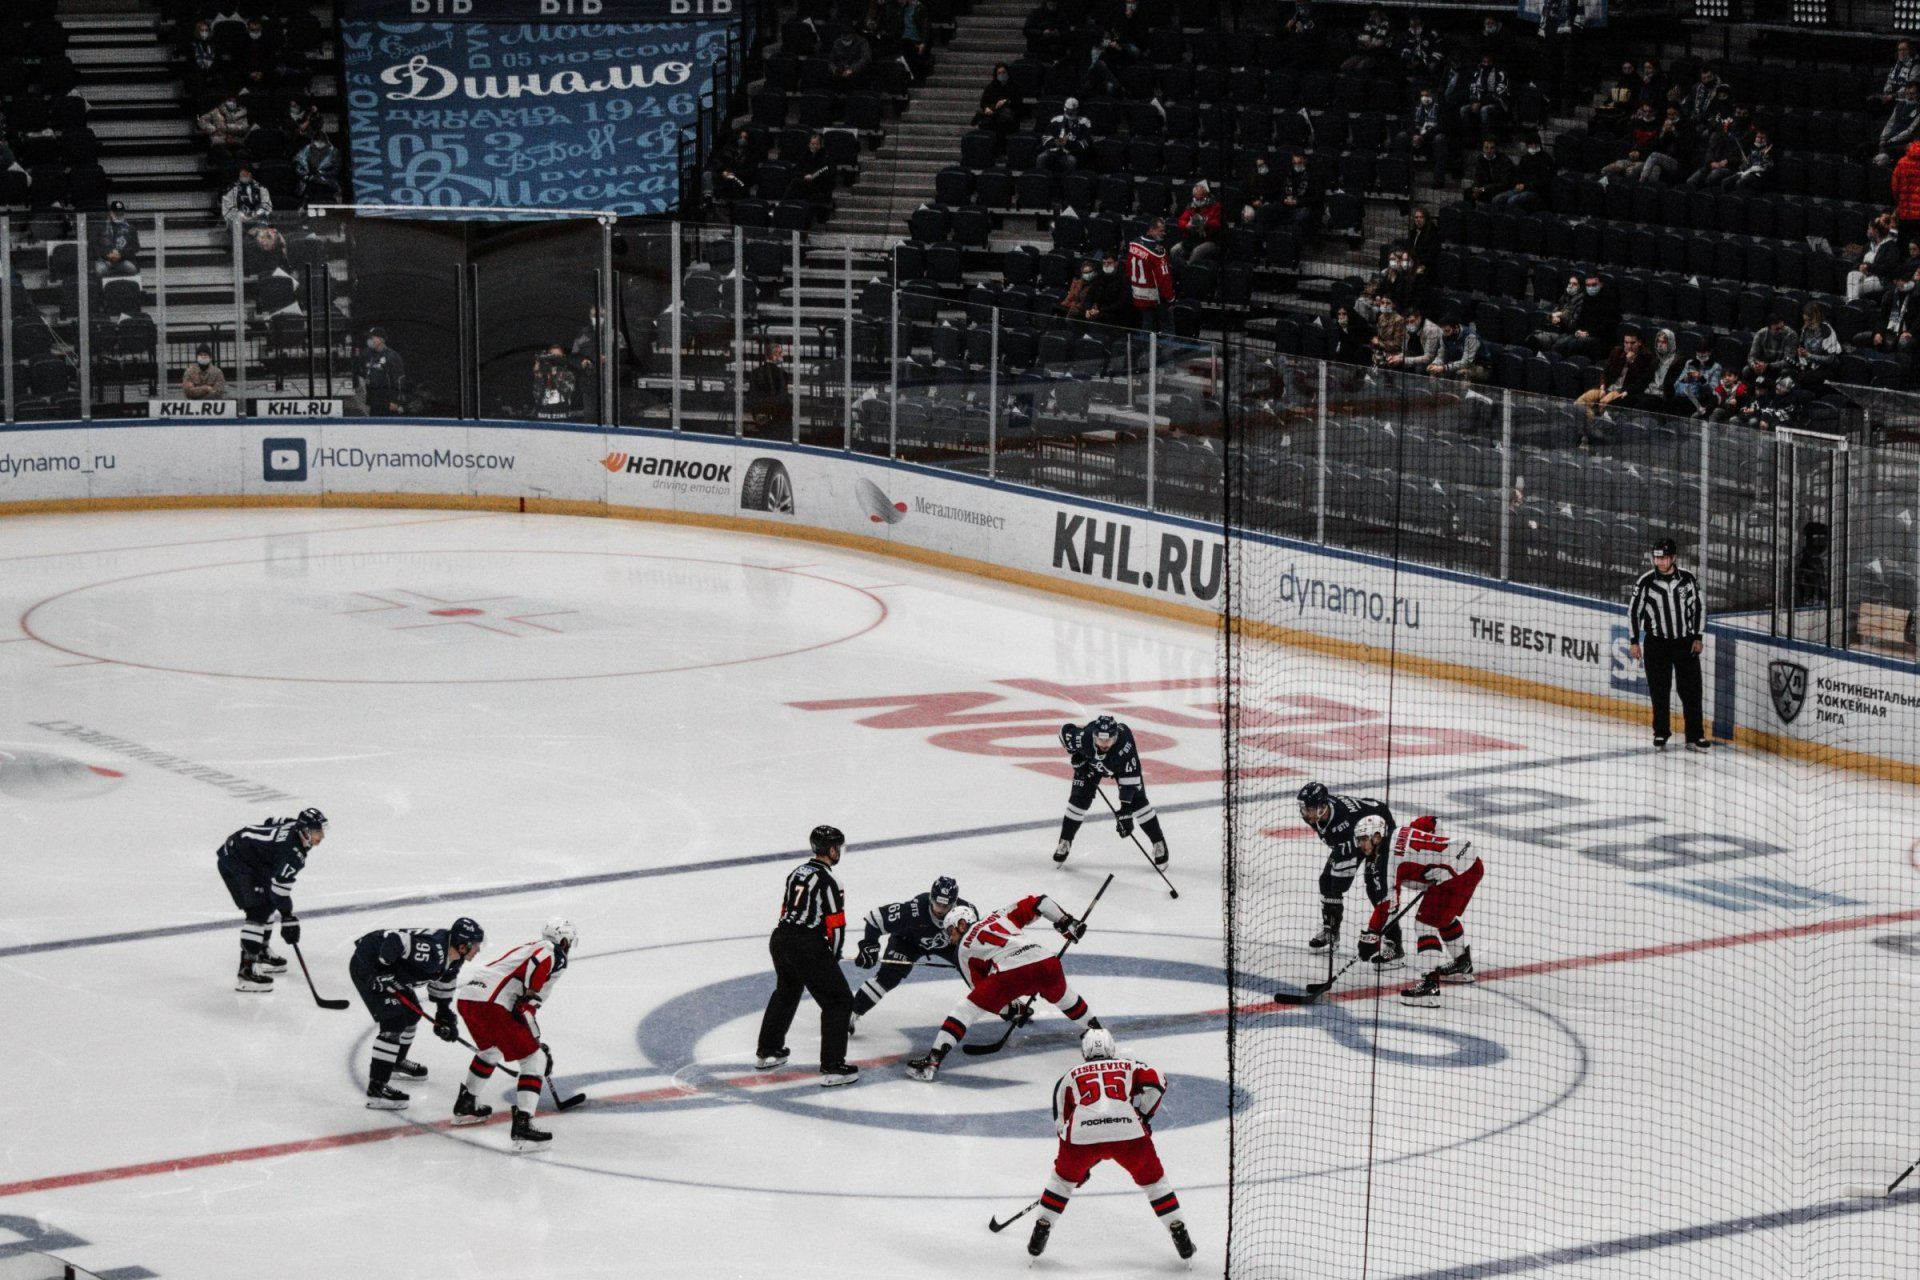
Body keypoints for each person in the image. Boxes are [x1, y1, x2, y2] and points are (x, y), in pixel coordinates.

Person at [1026, 1027, 1196, 1261]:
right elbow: (1157, 1082)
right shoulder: (1129, 1065)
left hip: (1081, 1137)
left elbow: (1062, 1124)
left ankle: (1043, 1225)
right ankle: (1177, 1227)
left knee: (1061, 1182)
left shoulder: (1069, 1076)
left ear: (1084, 1051)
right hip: (1128, 1133)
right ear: (1111, 1047)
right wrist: (1143, 1114)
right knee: (1155, 1184)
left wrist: (1076, 1169)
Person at [904, 892, 1100, 1081]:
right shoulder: (999, 915)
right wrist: (1066, 922)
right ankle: (1098, 1035)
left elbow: (981, 992)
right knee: (1066, 998)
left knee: (966, 1009)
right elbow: (1040, 902)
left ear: (961, 924)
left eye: (950, 931)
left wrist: (1012, 1010)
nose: (950, 939)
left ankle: (932, 1061)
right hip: (1046, 961)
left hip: (1012, 973)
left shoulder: (962, 950)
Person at [452, 918, 576, 1150]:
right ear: (565, 940)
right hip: (493, 1003)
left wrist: (535, 1037)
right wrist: (536, 1046)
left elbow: (525, 1009)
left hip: (470, 998)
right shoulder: (551, 951)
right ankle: (523, 1126)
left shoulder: (530, 947)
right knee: (534, 1060)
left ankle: (466, 1104)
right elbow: (538, 969)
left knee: (490, 1050)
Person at [755, 824, 858, 1085]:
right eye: (838, 847)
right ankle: (833, 1067)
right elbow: (835, 924)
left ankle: (768, 1051)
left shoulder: (796, 873)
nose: (839, 852)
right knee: (839, 1000)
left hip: (780, 939)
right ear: (831, 849)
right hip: (806, 945)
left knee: (786, 991)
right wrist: (833, 955)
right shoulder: (831, 880)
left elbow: (785, 909)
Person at [350, 917, 484, 1109]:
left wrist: (444, 1015)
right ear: (463, 945)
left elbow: (443, 986)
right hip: (368, 967)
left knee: (412, 1015)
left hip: (391, 974)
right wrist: (382, 971)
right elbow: (395, 940)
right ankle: (377, 1089)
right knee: (393, 1022)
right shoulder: (433, 951)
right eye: (476, 945)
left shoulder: (453, 959)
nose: (478, 950)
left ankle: (395, 1062)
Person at [1356, 815, 1485, 1005]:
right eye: (1359, 840)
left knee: (1424, 924)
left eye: (1363, 839)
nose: (1361, 845)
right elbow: (1432, 821)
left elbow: (1388, 904)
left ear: (1377, 836)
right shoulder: (1400, 830)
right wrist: (1440, 859)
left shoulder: (1388, 862)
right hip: (1471, 861)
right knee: (1441, 917)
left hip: (1457, 875)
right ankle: (1461, 965)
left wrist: (1372, 935)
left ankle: (1429, 986)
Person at [216, 808, 326, 991]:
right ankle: (247, 971)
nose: (321, 836)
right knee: (258, 910)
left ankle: (260, 951)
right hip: (235, 860)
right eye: (317, 831)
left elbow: (271, 820)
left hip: (250, 858)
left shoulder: (293, 825)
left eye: (322, 830)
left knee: (267, 902)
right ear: (305, 831)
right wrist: (288, 917)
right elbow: (279, 891)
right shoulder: (292, 854)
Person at [850, 875, 975, 1031]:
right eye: (937, 905)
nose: (940, 911)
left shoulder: (965, 913)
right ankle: (851, 1012)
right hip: (908, 942)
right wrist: (870, 945)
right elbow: (875, 919)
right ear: (931, 898)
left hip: (948, 943)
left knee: (974, 966)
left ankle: (1004, 1003)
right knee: (888, 978)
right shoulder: (915, 909)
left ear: (954, 903)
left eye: (945, 907)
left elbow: (977, 941)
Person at [1296, 782, 1400, 961]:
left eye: (1309, 809)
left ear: (1322, 807)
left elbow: (1344, 881)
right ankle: (1331, 931)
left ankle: (1395, 945)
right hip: (1356, 835)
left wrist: (1339, 883)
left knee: (1377, 890)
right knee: (1326, 882)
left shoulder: (1343, 821)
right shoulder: (1317, 817)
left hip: (1379, 831)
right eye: (1304, 808)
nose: (1306, 813)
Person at [1053, 715, 1169, 866]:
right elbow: (1064, 731)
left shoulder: (1125, 746)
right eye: (1100, 740)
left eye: (1108, 740)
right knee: (1078, 801)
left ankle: (1158, 842)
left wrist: (1125, 811)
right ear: (1094, 736)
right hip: (1093, 766)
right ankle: (1065, 841)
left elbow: (1130, 782)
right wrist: (1076, 754)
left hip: (1121, 768)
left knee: (1138, 803)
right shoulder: (1084, 737)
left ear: (1116, 737)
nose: (1104, 744)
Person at [1628, 537, 1709, 750]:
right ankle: (1661, 733)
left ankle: (1695, 735)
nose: (1660, 562)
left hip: (1685, 643)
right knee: (1659, 691)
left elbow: (1699, 608)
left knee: (1691, 692)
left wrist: (1698, 636)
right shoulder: (1646, 582)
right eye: (1657, 558)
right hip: (1656, 645)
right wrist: (1634, 641)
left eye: (1664, 558)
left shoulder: (1688, 579)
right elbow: (1634, 612)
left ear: (1673, 558)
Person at [1576, 330, 1654, 424]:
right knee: (1580, 403)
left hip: (1623, 390)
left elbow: (1641, 381)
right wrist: (1602, 386)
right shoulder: (1617, 351)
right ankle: (1589, 425)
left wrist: (1631, 362)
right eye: (1626, 342)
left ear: (1639, 343)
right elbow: (1605, 372)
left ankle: (1600, 427)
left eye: (1632, 343)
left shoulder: (1646, 356)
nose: (1629, 346)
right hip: (1608, 386)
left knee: (1604, 402)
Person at [1127, 217, 1174, 334]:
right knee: (1167, 327)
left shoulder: (1134, 243)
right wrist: (1170, 297)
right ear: (1151, 230)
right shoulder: (1158, 251)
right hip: (1155, 296)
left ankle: (1145, 349)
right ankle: (1169, 351)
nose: (1164, 233)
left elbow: (1128, 269)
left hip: (1138, 294)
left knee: (1147, 324)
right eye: (1161, 230)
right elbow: (1164, 278)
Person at [1627, 328, 1684, 412]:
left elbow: (1672, 386)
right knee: (1624, 400)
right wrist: (1627, 392)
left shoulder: (1678, 362)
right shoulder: (1656, 360)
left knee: (1639, 407)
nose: (1659, 345)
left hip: (1661, 397)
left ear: (1671, 343)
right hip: (1648, 392)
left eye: (1663, 342)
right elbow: (1644, 379)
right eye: (1658, 342)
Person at [1401, 84, 1450, 180]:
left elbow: (1441, 126)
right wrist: (1414, 135)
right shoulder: (1417, 106)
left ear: (1433, 95)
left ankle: (1438, 178)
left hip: (1431, 138)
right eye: (1422, 96)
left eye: (1427, 96)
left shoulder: (1441, 106)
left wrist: (1424, 137)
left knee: (1440, 139)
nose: (1424, 98)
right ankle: (1402, 175)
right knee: (1402, 136)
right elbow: (1410, 123)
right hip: (1417, 137)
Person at [1491, 133, 1552, 208]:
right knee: (1497, 199)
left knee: (1513, 200)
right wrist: (1518, 184)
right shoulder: (1525, 158)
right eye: (1530, 144)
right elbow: (1518, 174)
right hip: (1522, 188)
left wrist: (1526, 186)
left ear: (1539, 144)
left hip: (1536, 192)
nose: (1533, 146)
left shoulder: (1546, 159)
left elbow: (1544, 181)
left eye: (1535, 143)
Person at [1172, 180, 1223, 270]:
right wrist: (1186, 225)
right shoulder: (1191, 206)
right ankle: (1182, 272)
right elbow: (1182, 220)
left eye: (1201, 198)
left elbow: (1217, 225)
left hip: (1210, 240)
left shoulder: (1215, 206)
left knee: (1196, 252)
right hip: (1193, 239)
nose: (1198, 201)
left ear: (1206, 195)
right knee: (1175, 250)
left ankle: (1189, 273)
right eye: (1196, 198)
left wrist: (1205, 224)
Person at [1037, 98, 1090, 184]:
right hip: (1054, 150)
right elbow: (1045, 138)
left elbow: (1085, 143)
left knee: (1071, 161)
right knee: (1041, 157)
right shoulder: (1056, 120)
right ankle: (1041, 185)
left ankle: (1067, 187)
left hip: (1072, 153)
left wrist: (1067, 144)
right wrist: (1055, 142)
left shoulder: (1084, 123)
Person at [1458, 55, 1509, 141]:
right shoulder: (1478, 72)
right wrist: (1474, 101)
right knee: (1463, 109)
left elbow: (1499, 93)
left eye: (1489, 62)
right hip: (1478, 101)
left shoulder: (1500, 73)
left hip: (1497, 103)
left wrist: (1480, 102)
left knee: (1484, 110)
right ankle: (1470, 138)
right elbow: (1473, 88)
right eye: (1484, 62)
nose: (1486, 64)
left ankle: (1486, 139)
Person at [1427, 313, 1487, 384]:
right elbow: (1441, 355)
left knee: (1462, 374)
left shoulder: (1470, 337)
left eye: (1447, 331)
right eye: (1443, 331)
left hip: (1479, 367)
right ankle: (1437, 394)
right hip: (1457, 363)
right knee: (1434, 372)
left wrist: (1444, 368)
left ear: (1456, 328)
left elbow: (1466, 362)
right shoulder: (1444, 336)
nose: (1445, 334)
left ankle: (1461, 395)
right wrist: (1435, 364)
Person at [361, 327, 407, 415]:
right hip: (373, 402)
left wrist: (396, 401)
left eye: (372, 338)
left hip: (388, 402)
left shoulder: (392, 356)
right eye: (368, 338)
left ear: (381, 339)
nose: (369, 340)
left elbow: (399, 379)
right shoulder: (368, 355)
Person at [1795, 303, 1841, 390]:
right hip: (1811, 365)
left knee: (1803, 380)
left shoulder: (1827, 331)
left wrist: (1809, 356)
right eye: (1804, 320)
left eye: (1808, 320)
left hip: (1828, 368)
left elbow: (1830, 359)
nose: (1806, 323)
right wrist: (1802, 360)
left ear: (1815, 319)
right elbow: (1802, 348)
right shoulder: (1805, 329)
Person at [1383, 302, 1439, 373]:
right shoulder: (1407, 328)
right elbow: (1406, 352)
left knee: (1419, 369)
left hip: (1433, 362)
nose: (1409, 324)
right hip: (1415, 359)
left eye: (1412, 321)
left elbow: (1428, 357)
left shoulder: (1430, 329)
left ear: (1419, 318)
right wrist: (1397, 357)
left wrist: (1402, 360)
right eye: (1407, 322)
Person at [1084, 247, 1130, 329]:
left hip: (1114, 313)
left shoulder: (1124, 279)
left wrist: (1101, 310)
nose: (1106, 265)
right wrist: (1088, 308)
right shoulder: (1100, 277)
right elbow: (1090, 295)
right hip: (1098, 310)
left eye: (1109, 263)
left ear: (1116, 263)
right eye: (1104, 263)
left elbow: (1122, 303)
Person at [746, 343, 790, 430]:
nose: (783, 355)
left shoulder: (755, 372)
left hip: (760, 415)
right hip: (777, 417)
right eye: (780, 353)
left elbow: (752, 395)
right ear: (774, 355)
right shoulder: (782, 374)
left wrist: (757, 413)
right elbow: (783, 397)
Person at [1673, 338, 1721, 417]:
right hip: (1685, 396)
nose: (1701, 354)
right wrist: (1685, 379)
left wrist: (1701, 378)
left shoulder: (1716, 367)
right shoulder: (1689, 363)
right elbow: (1676, 384)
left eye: (1704, 352)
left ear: (1710, 352)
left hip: (1702, 399)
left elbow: (1713, 391)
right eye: (1699, 352)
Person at [974, 63, 1024, 138]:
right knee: (986, 121)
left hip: (1010, 112)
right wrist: (986, 108)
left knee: (1003, 119)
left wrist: (1006, 102)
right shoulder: (991, 86)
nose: (1002, 75)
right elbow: (983, 102)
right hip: (993, 111)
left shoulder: (1014, 86)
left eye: (1004, 72)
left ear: (1008, 73)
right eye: (999, 73)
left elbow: (1018, 102)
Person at [1745, 310, 1797, 382]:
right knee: (1746, 370)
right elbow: (1751, 356)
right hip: (1763, 364)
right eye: (1777, 329)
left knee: (1785, 372)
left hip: (1778, 367)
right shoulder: (1761, 334)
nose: (1781, 331)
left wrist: (1768, 366)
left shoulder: (1791, 335)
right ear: (1769, 328)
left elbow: (1789, 361)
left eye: (1782, 327)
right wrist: (1754, 366)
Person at [91, 201, 139, 277]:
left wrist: (121, 255)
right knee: (100, 270)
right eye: (116, 213)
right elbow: (93, 246)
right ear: (111, 213)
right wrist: (107, 254)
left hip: (122, 260)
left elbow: (135, 247)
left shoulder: (130, 228)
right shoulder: (99, 227)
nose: (118, 216)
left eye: (121, 213)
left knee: (131, 268)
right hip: (104, 260)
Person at [1276, 151, 1320, 237]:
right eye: (1294, 163)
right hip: (1287, 203)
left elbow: (1317, 198)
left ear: (1305, 161)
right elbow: (1280, 192)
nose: (1297, 165)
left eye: (1299, 162)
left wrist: (1298, 201)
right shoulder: (1288, 173)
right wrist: (1284, 199)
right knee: (1270, 210)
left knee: (1301, 215)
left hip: (1304, 205)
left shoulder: (1314, 175)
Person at [292, 132, 341, 205]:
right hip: (308, 184)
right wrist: (307, 175)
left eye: (321, 143)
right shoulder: (306, 150)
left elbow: (336, 170)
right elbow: (298, 164)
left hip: (328, 184)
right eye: (316, 144)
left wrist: (322, 174)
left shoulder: (334, 152)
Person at [788, 131, 834, 205]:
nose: (814, 146)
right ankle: (785, 205)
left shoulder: (826, 157)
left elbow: (827, 171)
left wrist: (813, 176)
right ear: (809, 144)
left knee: (795, 183)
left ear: (821, 145)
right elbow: (797, 170)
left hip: (819, 184)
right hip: (806, 182)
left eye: (817, 144)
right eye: (812, 144)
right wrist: (804, 175)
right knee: (794, 182)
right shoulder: (805, 155)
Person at [1462, 138, 1511, 206]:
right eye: (1486, 148)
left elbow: (1503, 183)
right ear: (1483, 148)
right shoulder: (1481, 159)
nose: (1488, 151)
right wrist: (1476, 188)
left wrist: (1483, 188)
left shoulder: (1503, 160)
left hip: (1497, 189)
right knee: (1468, 192)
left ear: (1495, 149)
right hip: (1483, 189)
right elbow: (1477, 178)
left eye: (1491, 148)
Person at [1874, 38, 1918, 107]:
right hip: (1891, 99)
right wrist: (1886, 92)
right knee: (1873, 102)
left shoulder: (1915, 66)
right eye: (1900, 50)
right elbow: (1889, 80)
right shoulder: (1896, 65)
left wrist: (1893, 96)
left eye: (1904, 49)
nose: (1902, 52)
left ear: (1910, 51)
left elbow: (1911, 87)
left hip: (1905, 101)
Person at [828, 24, 872, 88]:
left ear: (853, 35)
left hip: (857, 71)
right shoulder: (837, 43)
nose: (845, 40)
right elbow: (831, 60)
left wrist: (852, 70)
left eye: (847, 38)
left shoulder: (862, 42)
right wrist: (834, 69)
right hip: (840, 71)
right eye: (843, 37)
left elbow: (865, 59)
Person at [1895, 139, 1920, 249]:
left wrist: (1900, 201)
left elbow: (1895, 187)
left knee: (1904, 245)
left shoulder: (1902, 162)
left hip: (1905, 211)